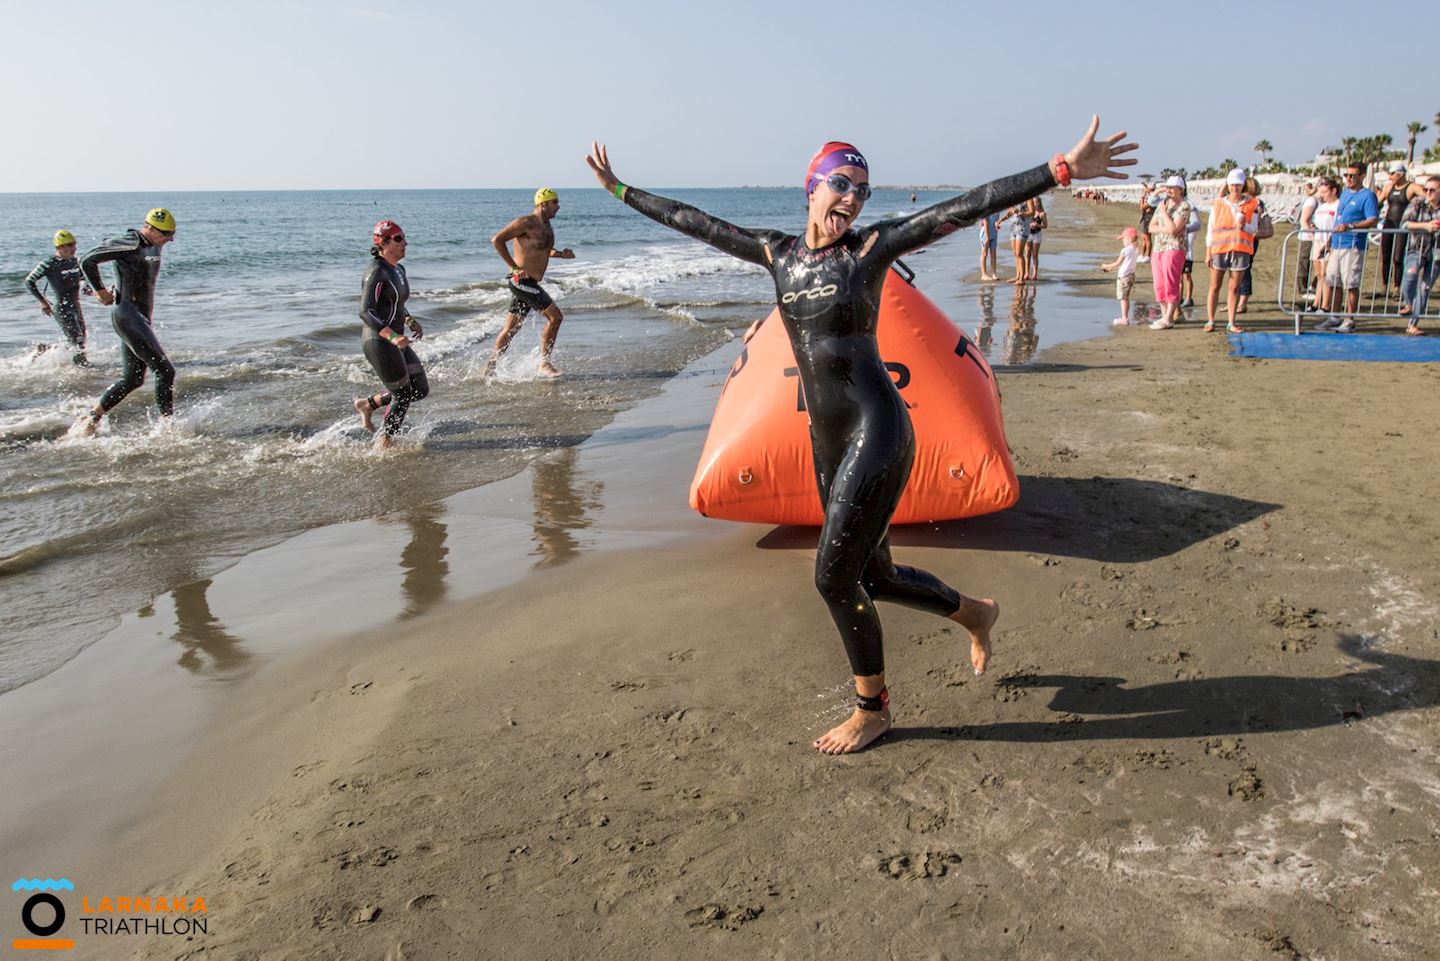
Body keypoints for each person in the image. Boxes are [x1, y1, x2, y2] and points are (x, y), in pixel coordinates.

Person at [584, 117, 1137, 754]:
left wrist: (1058, 172)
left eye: (862, 190)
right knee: (871, 576)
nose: (851, 198)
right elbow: (698, 222)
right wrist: (620, 191)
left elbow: (962, 208)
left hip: (878, 432)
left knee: (831, 576)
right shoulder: (775, 253)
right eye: (841, 184)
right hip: (828, 439)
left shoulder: (868, 252)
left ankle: (872, 708)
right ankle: (975, 613)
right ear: (811, 187)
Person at [72, 208, 178, 435]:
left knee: (133, 379)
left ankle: (92, 417)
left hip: (140, 318)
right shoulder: (130, 242)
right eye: (166, 234)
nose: (170, 239)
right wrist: (99, 291)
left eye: (172, 233)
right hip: (127, 316)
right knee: (165, 371)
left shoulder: (154, 244)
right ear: (148, 227)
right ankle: (167, 428)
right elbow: (88, 259)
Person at [484, 188, 576, 378]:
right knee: (555, 317)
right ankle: (545, 364)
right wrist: (514, 267)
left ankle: (490, 369)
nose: (558, 207)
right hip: (521, 281)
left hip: (531, 282)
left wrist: (560, 254)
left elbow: (543, 250)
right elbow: (497, 240)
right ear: (543, 204)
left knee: (512, 328)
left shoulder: (548, 227)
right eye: (554, 202)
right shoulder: (525, 222)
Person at [353, 220, 428, 449]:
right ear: (382, 242)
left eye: (403, 238)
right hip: (379, 341)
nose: (405, 243)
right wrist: (393, 337)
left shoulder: (398, 269)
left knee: (419, 389)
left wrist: (409, 320)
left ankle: (368, 404)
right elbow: (366, 312)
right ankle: (384, 442)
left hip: (395, 340)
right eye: (398, 238)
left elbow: (394, 303)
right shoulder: (376, 271)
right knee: (403, 394)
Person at [1316, 162, 1379, 333]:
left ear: (1361, 176)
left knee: (1351, 283)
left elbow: (1373, 219)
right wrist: (1329, 241)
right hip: (1337, 243)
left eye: (1353, 175)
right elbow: (1338, 219)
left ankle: (1350, 318)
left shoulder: (1367, 196)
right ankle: (1335, 317)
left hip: (1353, 244)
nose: (1349, 178)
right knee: (1333, 280)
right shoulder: (1344, 194)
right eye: (1347, 175)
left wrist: (1352, 226)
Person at [24, 230, 92, 365]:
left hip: (75, 305)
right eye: (70, 245)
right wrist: (43, 302)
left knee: (81, 339)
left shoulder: (75, 261)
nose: (74, 248)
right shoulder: (49, 263)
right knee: (76, 340)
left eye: (74, 244)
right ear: (60, 247)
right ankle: (82, 366)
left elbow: (82, 279)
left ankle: (46, 349)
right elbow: (29, 281)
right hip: (61, 307)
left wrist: (86, 287)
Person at [1203, 169, 1258, 333]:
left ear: (1243, 185)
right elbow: (1210, 228)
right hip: (1219, 249)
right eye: (1232, 184)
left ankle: (1231, 322)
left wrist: (1244, 226)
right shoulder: (1219, 203)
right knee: (1214, 286)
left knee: (1234, 287)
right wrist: (1208, 252)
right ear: (1227, 185)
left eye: (1238, 185)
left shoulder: (1251, 204)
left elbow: (1254, 228)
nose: (1235, 188)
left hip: (1240, 250)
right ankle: (1211, 320)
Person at [1145, 175, 1190, 329]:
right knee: (1159, 284)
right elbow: (1151, 227)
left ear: (1180, 190)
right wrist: (1166, 228)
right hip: (1159, 248)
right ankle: (1165, 315)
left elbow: (1174, 230)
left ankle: (1169, 317)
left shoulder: (1183, 206)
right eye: (1168, 187)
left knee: (1171, 282)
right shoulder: (1162, 204)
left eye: (1172, 188)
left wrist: (1164, 215)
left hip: (1174, 248)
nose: (1169, 190)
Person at [1398, 176, 1440, 334]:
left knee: (1424, 288)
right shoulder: (1418, 202)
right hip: (1417, 248)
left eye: (1432, 190)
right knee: (1410, 276)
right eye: (1425, 189)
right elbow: (1405, 223)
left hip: (1437, 252)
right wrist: (1426, 226)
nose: (1428, 193)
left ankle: (1412, 324)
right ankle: (1408, 303)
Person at [1376, 161, 1420, 295]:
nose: (1389, 176)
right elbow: (1377, 202)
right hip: (1388, 223)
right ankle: (1384, 287)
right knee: (1385, 257)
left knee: (1398, 257)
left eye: (1392, 173)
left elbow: (1428, 195)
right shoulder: (1389, 187)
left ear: (1400, 174)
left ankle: (1397, 287)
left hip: (1402, 225)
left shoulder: (1412, 187)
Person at [1309, 177, 1340, 314]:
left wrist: (1329, 243)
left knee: (1327, 274)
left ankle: (1325, 305)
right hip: (1318, 240)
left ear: (1333, 191)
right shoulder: (1321, 207)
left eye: (1325, 192)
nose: (1322, 195)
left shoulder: (1338, 205)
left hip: (1330, 241)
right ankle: (1316, 302)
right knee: (1319, 274)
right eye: (1320, 192)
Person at [1100, 226, 1140, 326]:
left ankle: (1124, 318)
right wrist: (1110, 269)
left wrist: (1106, 265)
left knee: (1123, 298)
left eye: (1124, 239)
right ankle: (1125, 317)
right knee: (1126, 297)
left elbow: (1118, 263)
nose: (1123, 242)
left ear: (1129, 239)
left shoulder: (1125, 250)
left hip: (1124, 277)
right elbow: (1124, 264)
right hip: (1131, 275)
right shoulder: (1135, 250)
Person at [997, 201, 1030, 284]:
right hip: (1014, 227)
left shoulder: (1029, 197)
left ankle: (1021, 279)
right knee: (1015, 254)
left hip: (1023, 227)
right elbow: (1010, 211)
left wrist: (1020, 212)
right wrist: (1001, 220)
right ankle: (1018, 276)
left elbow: (1032, 212)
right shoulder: (1016, 197)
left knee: (1019, 253)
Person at [1024, 196, 1047, 280]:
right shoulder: (1029, 212)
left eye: (1036, 202)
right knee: (1027, 254)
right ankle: (1026, 273)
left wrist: (1037, 225)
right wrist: (1029, 225)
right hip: (1028, 234)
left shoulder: (1042, 214)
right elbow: (1024, 222)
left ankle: (1034, 274)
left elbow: (1045, 226)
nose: (1034, 204)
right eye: (1033, 203)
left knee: (1035, 255)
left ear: (1039, 203)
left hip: (1037, 235)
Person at [977, 211, 1000, 281]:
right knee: (984, 253)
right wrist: (987, 237)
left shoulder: (998, 208)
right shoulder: (988, 209)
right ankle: (983, 274)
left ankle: (994, 274)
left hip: (994, 233)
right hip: (985, 233)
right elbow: (985, 222)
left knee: (993, 254)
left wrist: (997, 225)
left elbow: (996, 220)